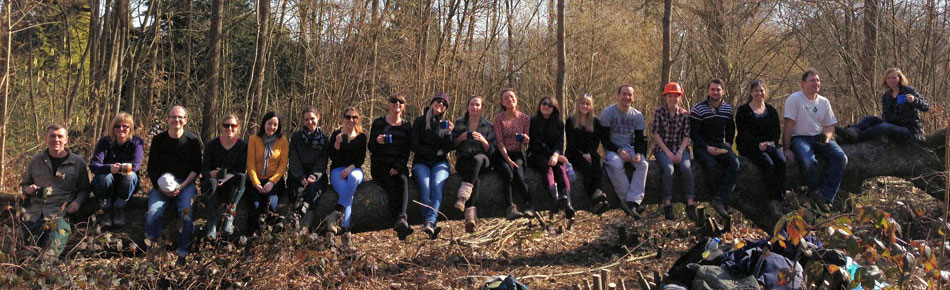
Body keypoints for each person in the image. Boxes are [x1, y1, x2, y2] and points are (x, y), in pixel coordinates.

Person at [20, 124, 91, 261]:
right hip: (34, 215)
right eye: (52, 136)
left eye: (60, 136)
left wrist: (77, 202)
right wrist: (28, 190)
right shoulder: (36, 161)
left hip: (60, 216)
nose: (56, 139)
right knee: (27, 258)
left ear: (66, 139)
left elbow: (85, 189)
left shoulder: (78, 163)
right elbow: (24, 185)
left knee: (48, 257)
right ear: (46, 138)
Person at [783, 69, 848, 213]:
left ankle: (825, 197)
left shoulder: (824, 102)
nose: (816, 83)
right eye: (812, 80)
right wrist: (786, 149)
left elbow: (830, 124)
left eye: (818, 80)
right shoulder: (794, 99)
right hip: (800, 137)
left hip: (819, 135)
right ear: (803, 84)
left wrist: (827, 136)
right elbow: (788, 125)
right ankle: (814, 191)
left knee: (841, 158)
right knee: (808, 162)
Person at [145, 106, 202, 266]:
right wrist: (162, 188)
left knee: (186, 215)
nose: (176, 120)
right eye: (173, 117)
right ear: (168, 119)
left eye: (180, 117)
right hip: (161, 186)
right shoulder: (158, 140)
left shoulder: (193, 141)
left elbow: (196, 169)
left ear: (185, 120)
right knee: (152, 214)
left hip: (185, 185)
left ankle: (182, 254)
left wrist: (182, 187)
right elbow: (152, 168)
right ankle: (154, 252)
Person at [735, 80, 786, 216]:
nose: (759, 93)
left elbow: (776, 131)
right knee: (768, 164)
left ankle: (781, 198)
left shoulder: (771, 111)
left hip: (769, 145)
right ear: (751, 93)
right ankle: (772, 200)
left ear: (765, 92)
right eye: (756, 90)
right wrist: (757, 145)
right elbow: (743, 132)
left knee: (781, 161)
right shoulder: (743, 111)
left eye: (761, 90)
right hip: (750, 146)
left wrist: (770, 142)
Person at [690, 78, 739, 218]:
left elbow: (730, 127)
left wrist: (729, 142)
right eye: (712, 89)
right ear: (708, 91)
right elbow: (693, 133)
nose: (715, 92)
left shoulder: (727, 109)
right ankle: (716, 199)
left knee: (734, 163)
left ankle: (721, 199)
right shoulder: (698, 109)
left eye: (718, 89)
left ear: (723, 92)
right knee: (711, 166)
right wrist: (706, 147)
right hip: (701, 146)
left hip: (719, 144)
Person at [368, 94, 414, 240]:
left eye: (401, 102)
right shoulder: (378, 123)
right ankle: (401, 220)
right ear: (389, 104)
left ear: (404, 106)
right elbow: (370, 147)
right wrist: (378, 141)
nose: (397, 104)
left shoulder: (406, 126)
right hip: (380, 166)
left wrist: (398, 165)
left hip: (397, 165)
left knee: (403, 181)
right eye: (394, 101)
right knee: (391, 188)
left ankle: (401, 220)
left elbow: (406, 150)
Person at [600, 85, 649, 218]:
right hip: (613, 149)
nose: (626, 97)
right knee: (615, 165)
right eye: (624, 94)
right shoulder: (608, 113)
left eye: (629, 95)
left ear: (633, 98)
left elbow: (640, 139)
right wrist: (619, 150)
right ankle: (628, 202)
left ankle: (633, 202)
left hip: (631, 148)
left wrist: (639, 153)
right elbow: (604, 139)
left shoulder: (637, 115)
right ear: (618, 95)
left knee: (643, 165)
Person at [411, 93, 455, 239]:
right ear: (432, 102)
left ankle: (430, 221)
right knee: (426, 186)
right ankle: (429, 221)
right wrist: (431, 151)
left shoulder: (444, 124)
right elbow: (414, 144)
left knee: (437, 186)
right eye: (438, 101)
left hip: (439, 163)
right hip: (421, 162)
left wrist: (449, 134)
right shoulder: (420, 121)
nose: (440, 104)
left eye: (444, 104)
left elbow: (448, 147)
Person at [844, 68, 930, 143]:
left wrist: (914, 100)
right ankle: (852, 131)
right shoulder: (887, 96)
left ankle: (857, 138)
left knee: (884, 127)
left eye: (894, 78)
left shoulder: (908, 91)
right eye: (888, 78)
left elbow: (926, 106)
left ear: (899, 79)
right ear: (885, 80)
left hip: (909, 130)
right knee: (869, 119)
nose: (891, 80)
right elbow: (885, 116)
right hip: (892, 125)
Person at [88, 112, 143, 228]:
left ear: (131, 128)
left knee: (130, 175)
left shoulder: (136, 142)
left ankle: (119, 208)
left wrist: (118, 169)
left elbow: (135, 165)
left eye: (125, 126)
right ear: (113, 128)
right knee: (105, 176)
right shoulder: (105, 142)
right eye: (117, 126)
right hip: (106, 183)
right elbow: (94, 164)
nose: (121, 129)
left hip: (126, 184)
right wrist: (109, 168)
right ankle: (105, 210)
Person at [324, 107, 367, 250]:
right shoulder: (337, 134)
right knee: (349, 197)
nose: (351, 120)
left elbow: (361, 158)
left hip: (355, 169)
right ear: (343, 118)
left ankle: (336, 214)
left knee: (354, 179)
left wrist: (350, 168)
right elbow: (332, 157)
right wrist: (337, 143)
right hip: (337, 171)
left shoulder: (361, 137)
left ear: (358, 119)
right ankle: (346, 234)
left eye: (354, 117)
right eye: (348, 117)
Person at [652, 83, 696, 220]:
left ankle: (690, 204)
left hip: (680, 149)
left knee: (686, 168)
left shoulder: (684, 114)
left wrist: (680, 152)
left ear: (680, 98)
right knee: (669, 169)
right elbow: (656, 135)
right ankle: (667, 205)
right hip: (662, 149)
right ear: (665, 97)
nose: (672, 99)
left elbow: (687, 136)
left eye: (675, 96)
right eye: (670, 96)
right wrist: (668, 153)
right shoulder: (659, 112)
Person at [452, 96, 495, 233]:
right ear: (468, 107)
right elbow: (451, 144)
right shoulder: (459, 123)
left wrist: (483, 140)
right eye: (472, 104)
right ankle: (470, 216)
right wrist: (460, 138)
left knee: (477, 160)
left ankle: (462, 197)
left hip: (483, 161)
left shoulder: (488, 126)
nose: (474, 107)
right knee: (474, 177)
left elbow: (493, 150)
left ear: (481, 108)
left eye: (477, 105)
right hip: (464, 160)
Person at [200, 114, 247, 239]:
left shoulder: (243, 146)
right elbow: (204, 169)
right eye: (226, 125)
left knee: (241, 177)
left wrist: (226, 178)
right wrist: (212, 174)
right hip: (213, 187)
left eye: (233, 125)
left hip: (231, 185)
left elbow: (241, 169)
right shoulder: (212, 145)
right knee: (211, 182)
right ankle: (211, 223)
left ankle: (229, 217)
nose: (229, 128)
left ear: (237, 128)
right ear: (221, 127)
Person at [528, 96, 575, 220]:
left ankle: (568, 203)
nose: (546, 106)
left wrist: (556, 155)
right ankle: (555, 200)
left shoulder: (559, 123)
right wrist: (553, 155)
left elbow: (559, 143)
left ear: (554, 108)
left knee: (560, 168)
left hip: (554, 155)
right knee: (547, 167)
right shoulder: (532, 121)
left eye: (550, 105)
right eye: (544, 103)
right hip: (536, 155)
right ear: (540, 105)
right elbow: (536, 143)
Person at [493, 88, 536, 220]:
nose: (509, 99)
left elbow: (526, 142)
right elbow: (499, 142)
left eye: (511, 97)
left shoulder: (524, 118)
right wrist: (507, 160)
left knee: (520, 176)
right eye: (506, 98)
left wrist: (526, 140)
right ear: (502, 102)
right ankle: (510, 207)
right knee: (509, 175)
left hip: (517, 153)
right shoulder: (498, 118)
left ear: (516, 99)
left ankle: (529, 205)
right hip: (501, 154)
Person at [246, 111, 290, 234]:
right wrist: (256, 183)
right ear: (264, 123)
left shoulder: (283, 141)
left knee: (271, 205)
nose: (272, 127)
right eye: (269, 123)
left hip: (274, 181)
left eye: (275, 125)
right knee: (255, 206)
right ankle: (251, 237)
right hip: (256, 181)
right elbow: (250, 164)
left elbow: (282, 165)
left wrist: (272, 182)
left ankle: (269, 236)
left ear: (279, 126)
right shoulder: (254, 139)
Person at [288, 106, 330, 230]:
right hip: (298, 174)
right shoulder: (296, 137)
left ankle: (304, 226)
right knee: (297, 193)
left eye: (312, 118)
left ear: (318, 118)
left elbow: (322, 161)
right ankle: (294, 221)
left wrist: (313, 176)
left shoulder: (324, 139)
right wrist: (301, 177)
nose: (309, 122)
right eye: (306, 119)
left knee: (313, 193)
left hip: (315, 174)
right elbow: (293, 159)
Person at [566, 94, 608, 215]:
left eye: (587, 104)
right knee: (586, 167)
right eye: (582, 103)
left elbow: (596, 141)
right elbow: (571, 142)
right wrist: (582, 154)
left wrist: (589, 153)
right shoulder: (571, 121)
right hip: (574, 153)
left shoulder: (595, 121)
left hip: (590, 152)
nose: (585, 106)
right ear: (578, 105)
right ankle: (594, 197)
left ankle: (597, 191)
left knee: (598, 162)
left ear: (591, 106)